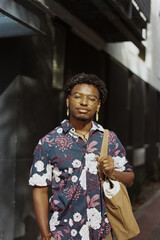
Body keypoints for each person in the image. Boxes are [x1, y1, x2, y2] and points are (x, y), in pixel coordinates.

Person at [29, 73, 134, 240]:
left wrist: (113, 172)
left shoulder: (110, 139)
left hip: (102, 233)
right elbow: (40, 189)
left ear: (98, 105)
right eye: (78, 96)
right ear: (68, 101)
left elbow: (129, 179)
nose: (84, 102)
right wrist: (45, 233)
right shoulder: (49, 142)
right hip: (62, 233)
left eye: (92, 99)